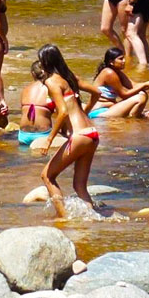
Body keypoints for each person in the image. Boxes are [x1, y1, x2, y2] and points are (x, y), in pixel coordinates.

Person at [34, 43, 101, 214]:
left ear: (46, 62)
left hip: (79, 136)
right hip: (92, 134)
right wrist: (85, 112)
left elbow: (63, 112)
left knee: (47, 176)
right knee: (79, 186)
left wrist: (49, 140)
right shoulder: (70, 77)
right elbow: (97, 93)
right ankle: (92, 218)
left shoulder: (51, 82)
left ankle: (63, 218)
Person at [89, 48, 149, 119]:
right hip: (99, 112)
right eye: (121, 59)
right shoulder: (109, 73)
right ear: (111, 62)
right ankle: (134, 119)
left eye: (124, 58)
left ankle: (134, 118)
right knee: (141, 97)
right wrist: (145, 84)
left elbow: (134, 86)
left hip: (110, 108)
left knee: (142, 93)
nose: (124, 61)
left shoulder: (118, 72)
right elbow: (124, 95)